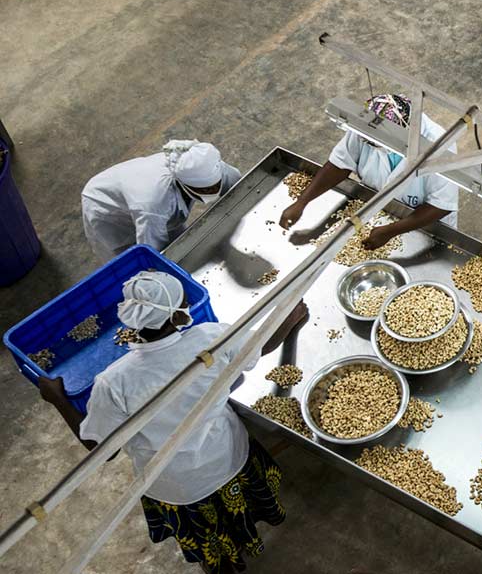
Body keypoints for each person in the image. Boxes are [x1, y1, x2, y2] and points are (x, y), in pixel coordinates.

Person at [37, 272, 309, 574]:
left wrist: (58, 398)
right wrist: (290, 318)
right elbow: (257, 346)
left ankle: (219, 562)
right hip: (224, 457)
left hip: (176, 484)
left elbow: (100, 446)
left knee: (208, 533)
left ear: (131, 318)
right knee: (238, 511)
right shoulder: (210, 338)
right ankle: (242, 541)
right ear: (179, 315)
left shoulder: (113, 382)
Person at [279, 93, 458, 248]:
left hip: (424, 224)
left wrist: (390, 231)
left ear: (403, 135)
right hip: (378, 213)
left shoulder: (439, 145)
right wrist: (302, 202)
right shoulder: (369, 125)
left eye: (378, 144)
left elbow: (441, 205)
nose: (372, 145)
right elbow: (340, 163)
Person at [82, 140, 242, 259]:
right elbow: (152, 250)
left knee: (179, 237)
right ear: (183, 184)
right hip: (105, 206)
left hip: (133, 184)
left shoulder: (206, 164)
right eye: (205, 190)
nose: (213, 191)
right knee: (131, 260)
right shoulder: (152, 205)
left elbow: (241, 188)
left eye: (216, 186)